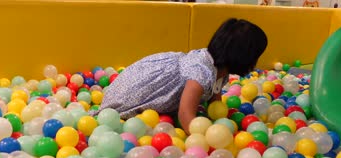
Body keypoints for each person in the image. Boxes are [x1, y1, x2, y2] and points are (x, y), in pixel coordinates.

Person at [90, 18, 268, 134]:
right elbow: (185, 114)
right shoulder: (201, 72)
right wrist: (204, 143)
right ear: (243, 56)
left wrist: (222, 123)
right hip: (131, 94)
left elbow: (215, 104)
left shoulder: (220, 71)